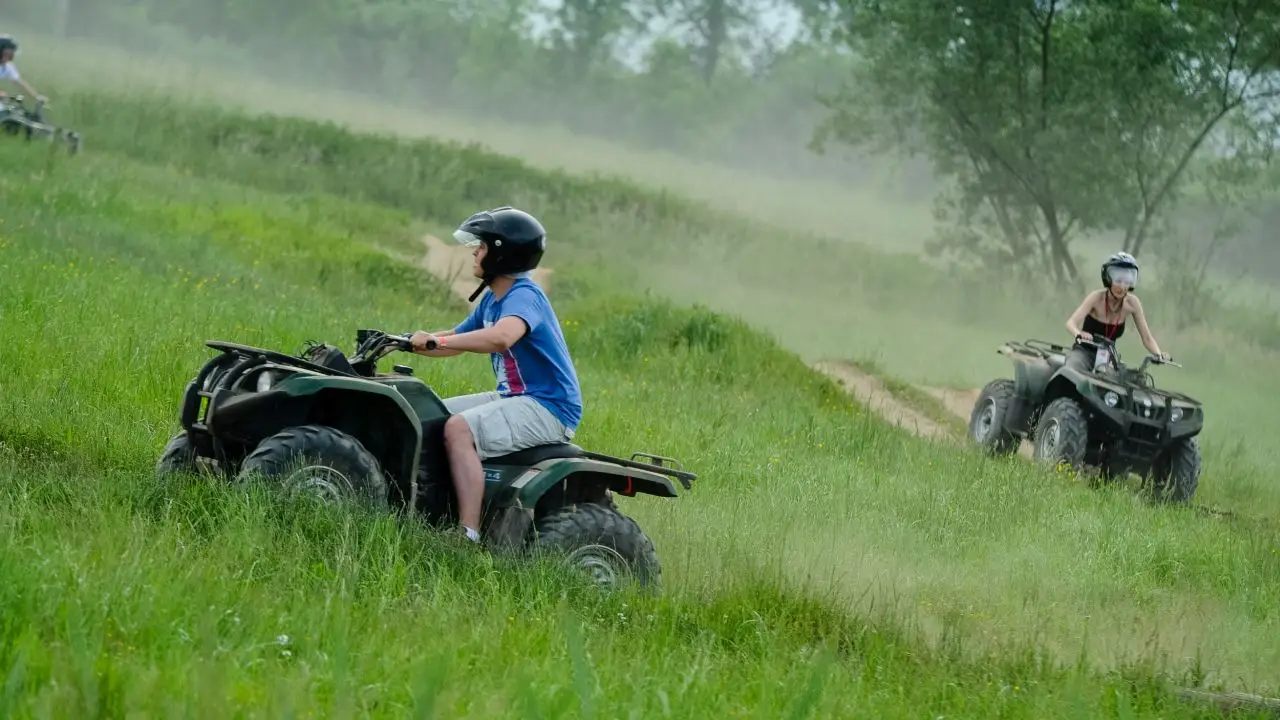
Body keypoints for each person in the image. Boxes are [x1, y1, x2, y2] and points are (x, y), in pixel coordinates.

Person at [407, 206, 583, 544]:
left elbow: (502, 337)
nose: (474, 252)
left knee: (458, 428)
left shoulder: (525, 296)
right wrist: (409, 342)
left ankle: (467, 534)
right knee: (430, 414)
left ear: (503, 255)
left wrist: (436, 340)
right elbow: (452, 342)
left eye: (482, 246)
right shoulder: (493, 299)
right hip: (517, 397)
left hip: (550, 406)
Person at [1063, 251, 1169, 373]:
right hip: (1084, 352)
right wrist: (1078, 333)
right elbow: (1070, 323)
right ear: (1108, 279)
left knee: (1125, 382)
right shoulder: (1096, 298)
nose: (1122, 287)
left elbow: (1147, 338)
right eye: (1118, 280)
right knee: (1072, 370)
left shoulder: (1133, 303)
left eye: (1127, 281)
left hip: (1107, 357)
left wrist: (1159, 354)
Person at [0, 35, 47, 105]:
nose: (10, 57)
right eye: (8, 54)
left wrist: (36, 97)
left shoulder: (7, 66)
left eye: (11, 54)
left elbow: (21, 83)